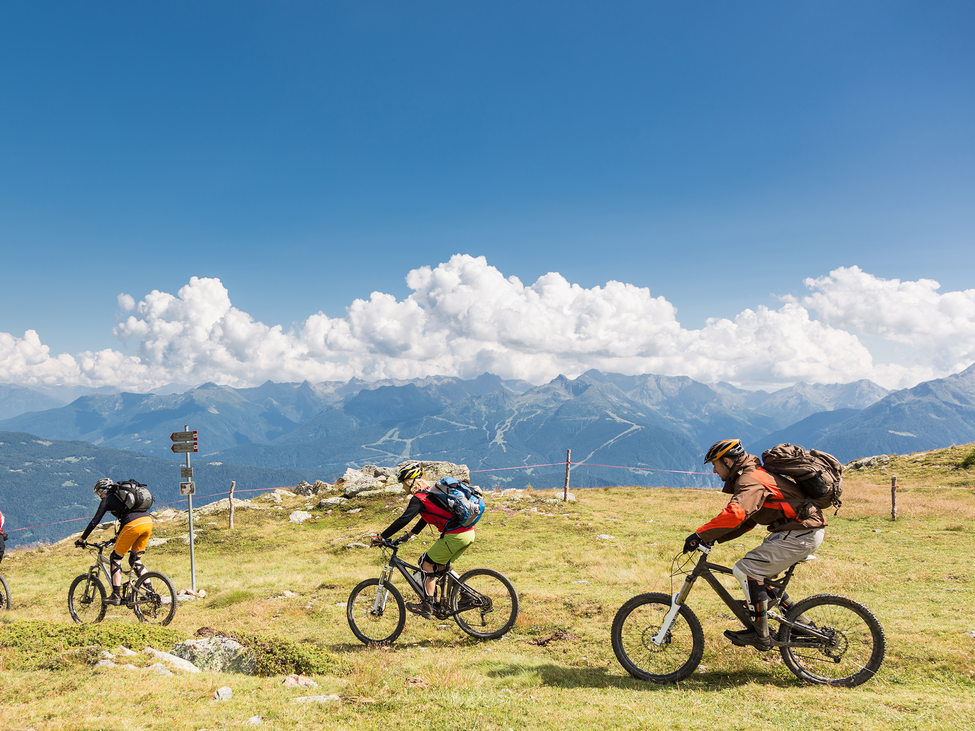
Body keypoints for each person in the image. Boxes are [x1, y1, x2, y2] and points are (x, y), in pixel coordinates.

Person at [683, 439, 827, 650]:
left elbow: (736, 513)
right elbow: (747, 521)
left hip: (800, 532)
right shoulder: (750, 475)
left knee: (746, 569)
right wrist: (713, 537)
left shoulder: (750, 479)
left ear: (727, 461)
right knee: (762, 580)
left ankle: (761, 636)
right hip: (798, 532)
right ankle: (803, 628)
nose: (714, 470)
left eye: (715, 464)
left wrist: (700, 534)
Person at [370, 462, 476, 619]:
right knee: (440, 566)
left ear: (409, 482)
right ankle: (466, 594)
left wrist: (381, 537)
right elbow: (425, 519)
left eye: (402, 484)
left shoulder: (419, 498)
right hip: (467, 534)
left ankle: (427, 605)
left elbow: (403, 519)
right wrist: (409, 535)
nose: (402, 488)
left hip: (455, 535)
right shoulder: (429, 494)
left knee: (426, 563)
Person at [74, 478, 155, 605]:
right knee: (135, 560)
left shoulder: (107, 500)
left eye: (98, 493)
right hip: (147, 522)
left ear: (102, 491)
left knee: (115, 557)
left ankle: (116, 595)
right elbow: (125, 517)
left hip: (133, 525)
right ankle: (151, 593)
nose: (99, 496)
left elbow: (95, 521)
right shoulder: (123, 499)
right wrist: (116, 537)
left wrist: (81, 539)